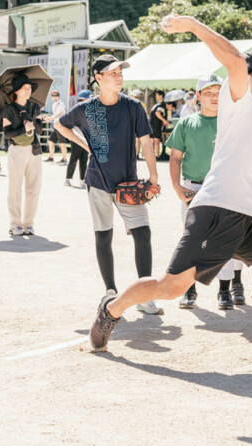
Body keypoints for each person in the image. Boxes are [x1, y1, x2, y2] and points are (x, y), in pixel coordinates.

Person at [88, 18, 252, 364]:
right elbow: (235, 62)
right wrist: (193, 25)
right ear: (246, 80)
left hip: (250, 219)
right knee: (170, 287)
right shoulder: (237, 101)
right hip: (216, 212)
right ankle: (112, 309)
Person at [57, 55, 163, 316]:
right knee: (103, 236)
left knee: (143, 234)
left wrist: (153, 177)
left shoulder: (133, 106)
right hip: (97, 182)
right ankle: (111, 291)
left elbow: (147, 141)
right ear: (98, 78)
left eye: (120, 71)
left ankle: (144, 295)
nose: (118, 76)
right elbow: (60, 124)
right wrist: (84, 145)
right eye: (112, 72)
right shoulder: (85, 108)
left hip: (128, 185)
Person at [167, 72, 242, 310]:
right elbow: (175, 158)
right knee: (191, 241)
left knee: (225, 241)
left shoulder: (232, 122)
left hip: (224, 188)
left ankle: (224, 291)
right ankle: (189, 290)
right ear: (198, 96)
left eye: (219, 93)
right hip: (193, 188)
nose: (214, 97)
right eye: (208, 93)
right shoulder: (187, 123)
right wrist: (178, 187)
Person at [1, 74, 45, 236]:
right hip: (17, 151)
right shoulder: (8, 110)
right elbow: (7, 133)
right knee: (15, 189)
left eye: (29, 88)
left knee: (34, 189)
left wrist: (32, 124)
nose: (28, 91)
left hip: (34, 151)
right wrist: (23, 129)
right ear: (17, 91)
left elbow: (40, 129)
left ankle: (29, 223)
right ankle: (15, 223)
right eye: (25, 88)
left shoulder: (35, 107)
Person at [64, 89, 92, 188]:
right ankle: (67, 179)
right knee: (74, 158)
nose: (91, 99)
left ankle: (82, 180)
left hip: (85, 138)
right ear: (84, 99)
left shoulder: (89, 109)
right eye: (89, 98)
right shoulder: (77, 109)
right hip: (76, 137)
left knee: (84, 159)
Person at [44, 90, 68, 165]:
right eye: (53, 96)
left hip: (60, 125)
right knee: (50, 141)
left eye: (56, 96)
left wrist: (50, 118)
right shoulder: (54, 104)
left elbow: (60, 115)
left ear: (58, 96)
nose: (54, 97)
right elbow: (55, 115)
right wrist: (49, 118)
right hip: (56, 125)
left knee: (62, 143)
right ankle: (51, 157)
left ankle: (64, 159)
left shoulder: (61, 104)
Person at [149, 90, 168, 159]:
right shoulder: (159, 105)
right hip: (154, 124)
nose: (156, 96)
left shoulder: (161, 104)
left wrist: (164, 121)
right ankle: (155, 155)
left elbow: (156, 113)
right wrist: (164, 120)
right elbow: (157, 113)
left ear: (161, 96)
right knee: (154, 140)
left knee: (154, 140)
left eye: (157, 95)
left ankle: (155, 155)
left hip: (154, 124)